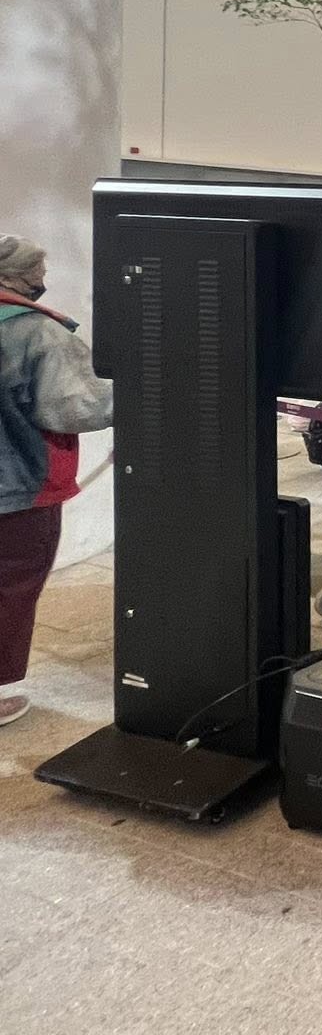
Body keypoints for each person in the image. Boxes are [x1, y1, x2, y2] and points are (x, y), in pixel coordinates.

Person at [0, 237, 115, 728]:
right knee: (11, 586)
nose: (42, 280)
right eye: (39, 272)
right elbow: (74, 408)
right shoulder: (35, 332)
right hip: (19, 489)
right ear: (21, 277)